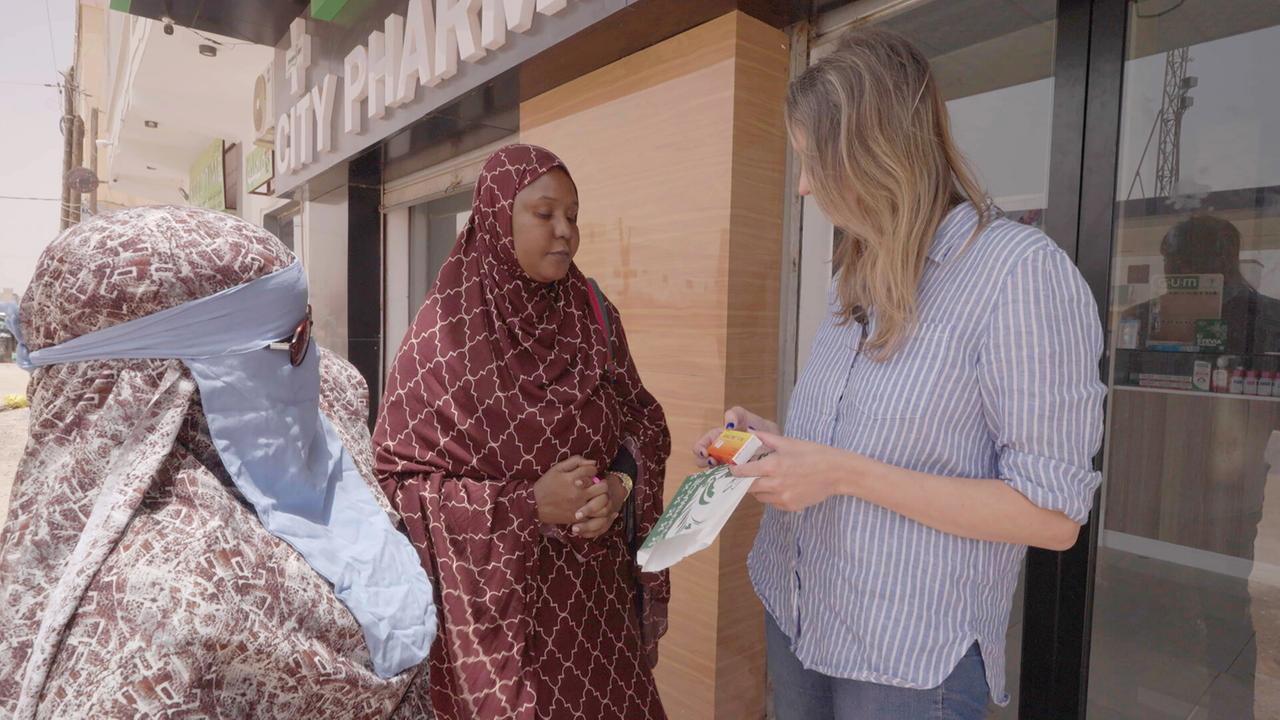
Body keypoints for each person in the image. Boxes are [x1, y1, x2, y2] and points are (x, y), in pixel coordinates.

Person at [694, 29, 1106, 719]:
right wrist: (777, 444)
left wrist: (842, 473)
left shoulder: (1020, 275)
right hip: (798, 614)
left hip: (906, 661)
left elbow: (1054, 515)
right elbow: (850, 441)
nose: (802, 186)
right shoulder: (851, 274)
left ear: (870, 153)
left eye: (812, 161)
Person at [0, 206, 435, 718]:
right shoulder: (162, 621)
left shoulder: (315, 425)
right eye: (295, 342)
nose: (320, 365)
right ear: (165, 385)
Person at [374, 144, 672, 720]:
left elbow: (643, 421)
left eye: (573, 215)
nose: (565, 232)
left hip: (598, 621)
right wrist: (526, 506)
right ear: (495, 218)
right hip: (501, 633)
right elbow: (397, 487)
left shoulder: (595, 315)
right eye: (544, 214)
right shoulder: (443, 342)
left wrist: (620, 488)